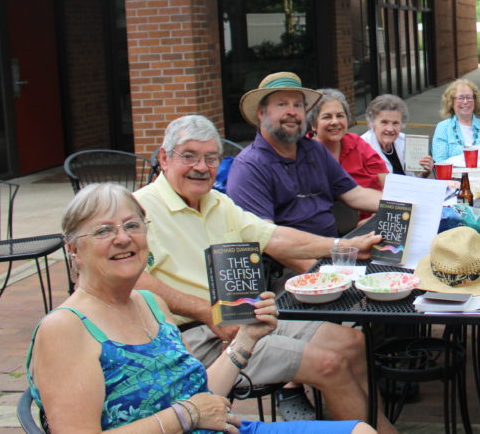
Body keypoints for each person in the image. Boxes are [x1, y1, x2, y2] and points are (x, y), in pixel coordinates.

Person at [28, 183, 373, 434]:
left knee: (360, 432)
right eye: (104, 231)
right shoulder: (66, 328)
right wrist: (185, 416)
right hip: (195, 427)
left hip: (218, 428)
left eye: (132, 225)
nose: (123, 238)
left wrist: (246, 340)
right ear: (73, 249)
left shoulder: (150, 303)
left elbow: (197, 393)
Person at [134, 115, 397, 432]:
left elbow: (275, 237)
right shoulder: (140, 209)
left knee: (353, 341)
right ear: (164, 158)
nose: (201, 167)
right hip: (192, 336)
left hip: (244, 315)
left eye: (211, 157)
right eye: (189, 156)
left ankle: (377, 429)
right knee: (330, 364)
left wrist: (344, 245)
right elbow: (136, 281)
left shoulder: (217, 201)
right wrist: (207, 313)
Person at [227, 73, 382, 238]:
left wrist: (406, 205)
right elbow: (271, 240)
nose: (292, 112)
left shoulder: (315, 151)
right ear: (261, 113)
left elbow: (356, 194)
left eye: (298, 105)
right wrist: (340, 250)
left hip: (335, 251)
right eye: (282, 104)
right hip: (291, 261)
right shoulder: (249, 167)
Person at [308, 88, 389, 191]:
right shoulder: (305, 151)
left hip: (373, 203)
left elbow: (385, 180)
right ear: (313, 124)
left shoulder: (356, 142)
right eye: (327, 117)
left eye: (340, 116)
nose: (335, 122)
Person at [361, 93, 432, 177]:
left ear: (402, 124)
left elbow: (410, 182)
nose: (390, 129)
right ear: (372, 123)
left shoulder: (404, 141)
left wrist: (424, 172)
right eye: (384, 122)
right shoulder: (362, 147)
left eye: (395, 123)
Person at [431, 78, 480, 161]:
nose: (465, 102)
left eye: (469, 97)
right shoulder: (443, 128)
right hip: (454, 173)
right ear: (451, 102)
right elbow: (440, 162)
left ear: (475, 101)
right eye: (460, 98)